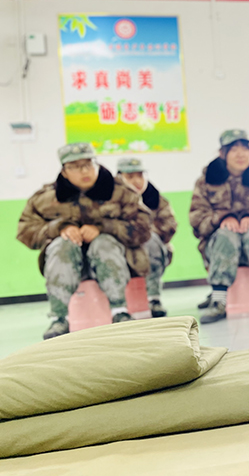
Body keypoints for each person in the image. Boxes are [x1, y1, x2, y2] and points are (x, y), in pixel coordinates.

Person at [17, 143, 151, 339]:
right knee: (62, 244)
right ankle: (59, 318)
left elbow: (144, 227)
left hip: (118, 262)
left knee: (104, 242)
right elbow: (25, 230)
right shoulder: (45, 198)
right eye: (75, 166)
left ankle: (120, 311)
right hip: (69, 264)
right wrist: (59, 228)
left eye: (88, 164)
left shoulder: (122, 192)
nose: (84, 171)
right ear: (64, 171)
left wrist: (105, 228)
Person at [189, 129, 249, 322]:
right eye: (234, 149)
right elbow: (196, 218)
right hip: (220, 247)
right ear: (222, 154)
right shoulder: (206, 181)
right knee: (228, 233)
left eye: (245, 148)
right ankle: (218, 301)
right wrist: (221, 219)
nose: (241, 154)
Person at [116, 157, 177, 317]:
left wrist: (145, 233)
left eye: (140, 175)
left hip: (151, 248)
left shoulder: (155, 198)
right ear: (119, 178)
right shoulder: (113, 198)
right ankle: (118, 307)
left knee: (152, 241)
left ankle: (154, 299)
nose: (137, 181)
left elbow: (170, 224)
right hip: (124, 249)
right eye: (130, 177)